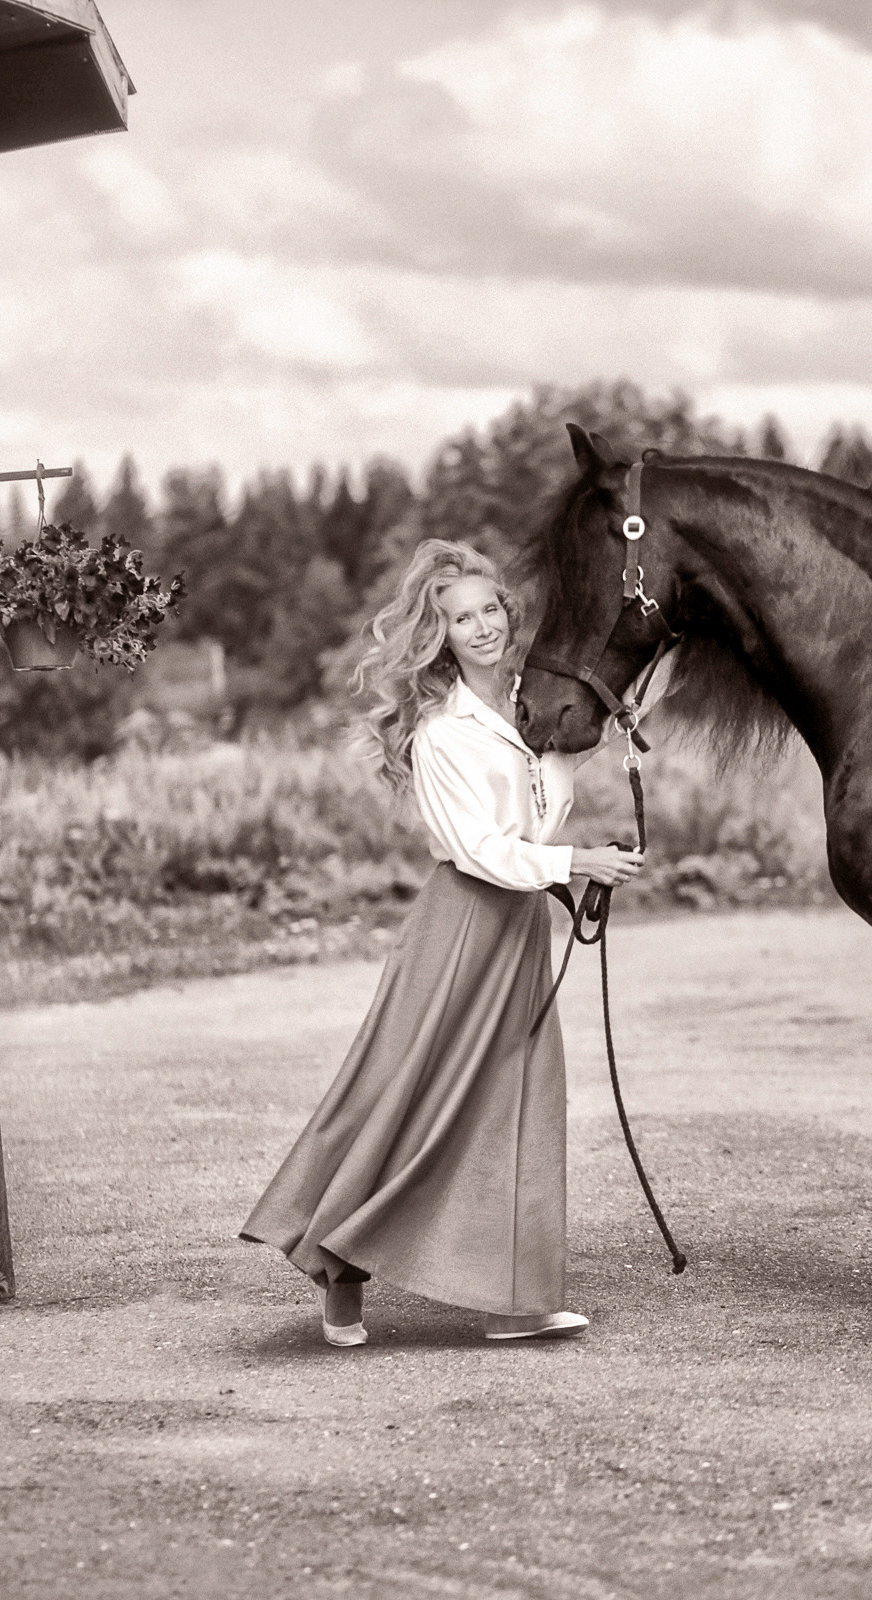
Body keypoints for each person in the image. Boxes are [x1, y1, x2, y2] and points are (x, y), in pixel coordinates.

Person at [238, 538, 667, 1345]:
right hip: (460, 925)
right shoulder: (441, 733)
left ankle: (511, 1302)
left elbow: (535, 821)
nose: (480, 628)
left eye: (489, 610)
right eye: (459, 618)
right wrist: (581, 861)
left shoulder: (525, 710)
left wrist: (586, 747)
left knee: (516, 1101)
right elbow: (481, 849)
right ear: (439, 635)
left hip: (517, 932)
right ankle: (336, 1269)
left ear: (508, 614)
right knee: (402, 1100)